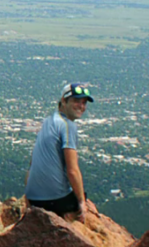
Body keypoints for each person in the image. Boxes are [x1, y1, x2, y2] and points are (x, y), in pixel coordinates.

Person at [24, 82, 100, 219]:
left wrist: (28, 199)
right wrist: (82, 203)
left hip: (34, 199)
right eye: (76, 101)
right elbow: (72, 170)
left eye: (84, 103)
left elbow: (32, 165)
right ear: (63, 101)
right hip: (55, 202)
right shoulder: (68, 126)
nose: (81, 106)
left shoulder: (47, 122)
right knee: (83, 198)